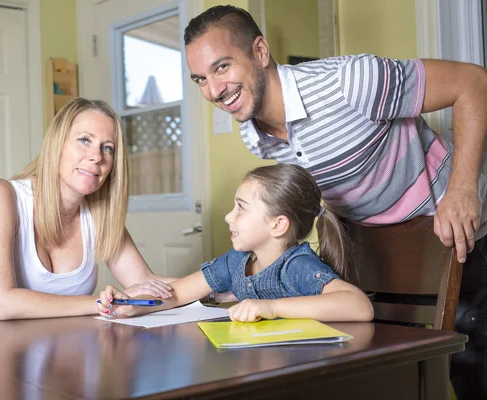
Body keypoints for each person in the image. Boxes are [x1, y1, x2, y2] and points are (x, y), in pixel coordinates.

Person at [183, 5, 487, 399]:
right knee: (385, 381)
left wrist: (462, 190)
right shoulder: (254, 135)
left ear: (260, 52)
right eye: (200, 79)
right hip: (374, 257)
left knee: (470, 372)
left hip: (455, 238)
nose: (212, 90)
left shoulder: (352, 82)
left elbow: (473, 83)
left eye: (222, 67)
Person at [0, 98, 176, 319]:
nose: (96, 156)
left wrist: (211, 280)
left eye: (107, 148)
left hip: (51, 346)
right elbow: (1, 303)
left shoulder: (99, 215)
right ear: (57, 144)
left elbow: (148, 283)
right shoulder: (0, 196)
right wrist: (105, 302)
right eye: (85, 140)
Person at [97, 164, 374, 323]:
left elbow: (359, 306)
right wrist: (132, 303)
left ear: (277, 225)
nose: (229, 216)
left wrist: (272, 308)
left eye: (241, 207)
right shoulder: (235, 263)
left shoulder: (296, 266)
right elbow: (179, 293)